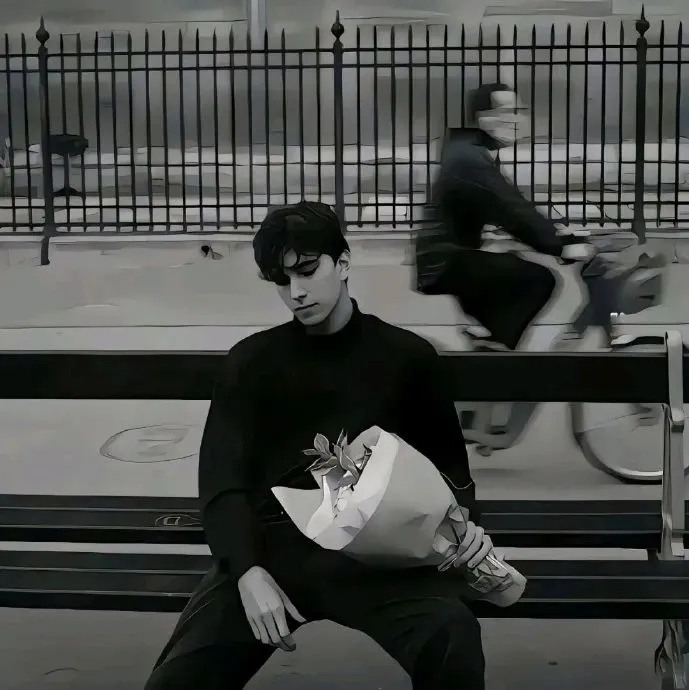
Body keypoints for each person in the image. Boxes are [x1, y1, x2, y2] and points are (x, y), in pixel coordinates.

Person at [145, 200, 499, 690]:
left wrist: (467, 526)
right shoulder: (252, 363)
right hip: (272, 551)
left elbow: (450, 471)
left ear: (344, 262)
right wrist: (246, 571)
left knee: (451, 636)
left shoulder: (407, 358)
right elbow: (222, 483)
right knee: (175, 683)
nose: (296, 292)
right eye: (281, 279)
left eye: (308, 270)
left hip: (378, 555)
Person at [416, 82, 595, 351]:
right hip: (446, 261)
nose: (514, 120)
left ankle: (490, 349)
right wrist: (559, 245)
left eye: (519, 111)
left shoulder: (468, 150)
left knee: (513, 273)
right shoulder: (469, 160)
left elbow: (507, 205)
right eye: (504, 112)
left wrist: (560, 235)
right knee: (537, 280)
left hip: (450, 257)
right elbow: (510, 208)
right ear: (480, 118)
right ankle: (497, 353)